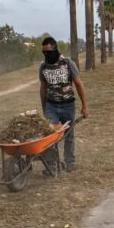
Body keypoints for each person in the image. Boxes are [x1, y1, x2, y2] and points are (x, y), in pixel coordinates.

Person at [39, 37, 89, 172]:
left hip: (68, 106)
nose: (46, 55)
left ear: (55, 49)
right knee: (50, 136)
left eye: (49, 51)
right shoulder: (43, 66)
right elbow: (43, 88)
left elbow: (79, 84)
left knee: (69, 136)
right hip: (51, 106)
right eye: (44, 52)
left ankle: (69, 163)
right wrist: (44, 109)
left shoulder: (68, 63)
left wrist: (84, 106)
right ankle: (52, 166)